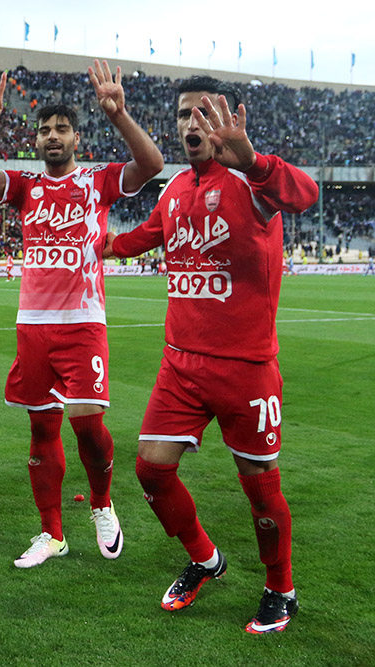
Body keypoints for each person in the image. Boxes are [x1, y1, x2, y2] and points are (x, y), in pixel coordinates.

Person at [103, 75, 318, 634]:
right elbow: (140, 237)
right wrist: (92, 241)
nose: (190, 124)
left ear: (224, 119)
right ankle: (205, 558)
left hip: (246, 369)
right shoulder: (175, 189)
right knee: (150, 470)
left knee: (260, 484)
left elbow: (306, 195)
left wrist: (253, 158)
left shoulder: (253, 182)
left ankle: (281, 588)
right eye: (181, 116)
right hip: (180, 364)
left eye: (201, 113)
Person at [0, 62, 163, 568]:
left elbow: (153, 164)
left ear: (76, 138)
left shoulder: (97, 182)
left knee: (88, 426)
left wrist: (119, 116)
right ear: (36, 141)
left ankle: (101, 504)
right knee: (41, 430)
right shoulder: (26, 188)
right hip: (33, 327)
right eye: (44, 131)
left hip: (82, 323)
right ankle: (51, 533)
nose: (52, 137)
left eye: (61, 129)